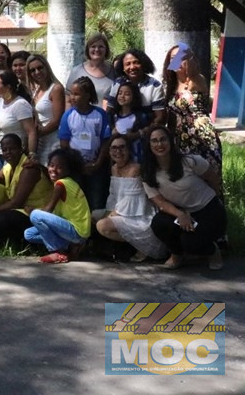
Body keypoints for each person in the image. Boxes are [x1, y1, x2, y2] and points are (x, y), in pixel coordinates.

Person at [141, 126, 226, 270]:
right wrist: (180, 214)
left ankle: (213, 251)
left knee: (190, 242)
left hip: (208, 211)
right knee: (159, 223)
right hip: (182, 212)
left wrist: (214, 199)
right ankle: (177, 254)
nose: (159, 144)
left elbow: (213, 178)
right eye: (154, 141)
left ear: (170, 141)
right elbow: (159, 201)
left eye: (163, 140)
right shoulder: (147, 173)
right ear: (149, 145)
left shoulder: (190, 162)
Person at [93, 134, 168, 261]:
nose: (118, 151)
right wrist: (108, 212)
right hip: (121, 211)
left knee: (102, 225)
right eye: (114, 148)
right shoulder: (114, 168)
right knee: (92, 216)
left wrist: (111, 214)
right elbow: (114, 195)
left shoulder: (136, 169)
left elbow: (131, 200)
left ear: (129, 150)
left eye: (122, 147)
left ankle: (141, 245)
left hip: (138, 215)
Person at [163, 43, 222, 183]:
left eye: (180, 57)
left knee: (210, 177)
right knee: (189, 180)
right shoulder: (170, 86)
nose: (176, 61)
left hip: (202, 135)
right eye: (173, 58)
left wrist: (185, 54)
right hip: (182, 138)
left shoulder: (196, 80)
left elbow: (192, 69)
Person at [0, 133, 54, 247]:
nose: (8, 152)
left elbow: (17, 202)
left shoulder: (29, 168)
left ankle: (26, 245)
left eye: (12, 149)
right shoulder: (8, 167)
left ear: (21, 148)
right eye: (5, 150)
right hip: (25, 212)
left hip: (40, 214)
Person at [25, 148, 92, 264]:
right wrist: (40, 166)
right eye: (51, 165)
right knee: (29, 234)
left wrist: (31, 210)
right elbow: (50, 172)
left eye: (59, 167)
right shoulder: (69, 181)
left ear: (68, 170)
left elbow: (48, 210)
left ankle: (58, 251)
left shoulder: (61, 184)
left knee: (35, 215)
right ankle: (70, 246)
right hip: (73, 231)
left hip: (76, 232)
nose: (53, 170)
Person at [59, 77, 112, 211]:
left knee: (96, 200)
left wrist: (98, 163)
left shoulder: (100, 114)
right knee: (77, 200)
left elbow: (106, 141)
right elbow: (64, 143)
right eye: (71, 93)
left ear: (88, 95)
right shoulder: (68, 115)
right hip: (75, 166)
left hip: (96, 166)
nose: (72, 97)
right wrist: (77, 164)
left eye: (76, 94)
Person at [104, 48, 166, 131]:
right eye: (128, 64)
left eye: (136, 62)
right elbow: (109, 112)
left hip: (146, 134)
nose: (132, 67)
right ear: (123, 68)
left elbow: (160, 117)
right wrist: (115, 131)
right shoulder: (118, 83)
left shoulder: (154, 86)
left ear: (143, 64)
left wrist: (140, 134)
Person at [0, 70, 36, 167]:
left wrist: (31, 154)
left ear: (8, 87)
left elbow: (31, 131)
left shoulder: (20, 105)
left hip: (16, 157)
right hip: (1, 154)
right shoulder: (1, 101)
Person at [27, 54, 64, 162]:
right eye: (32, 70)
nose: (37, 72)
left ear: (46, 67)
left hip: (53, 140)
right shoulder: (36, 90)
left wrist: (37, 133)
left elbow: (57, 120)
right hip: (40, 141)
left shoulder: (56, 88)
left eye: (40, 68)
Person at [66, 33, 116, 106]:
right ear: (88, 49)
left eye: (101, 46)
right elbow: (68, 98)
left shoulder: (114, 71)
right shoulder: (76, 71)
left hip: (107, 116)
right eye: (93, 46)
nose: (97, 49)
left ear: (106, 49)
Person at [107, 81, 147, 163]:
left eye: (127, 94)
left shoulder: (140, 117)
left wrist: (136, 134)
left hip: (135, 159)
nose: (122, 96)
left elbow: (147, 131)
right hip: (116, 159)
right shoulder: (113, 116)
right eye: (120, 93)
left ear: (134, 97)